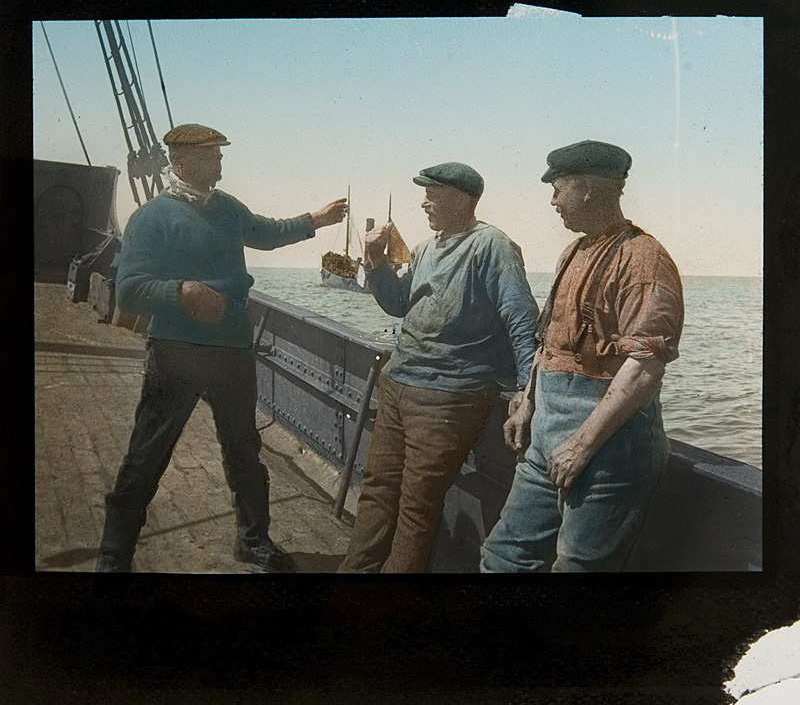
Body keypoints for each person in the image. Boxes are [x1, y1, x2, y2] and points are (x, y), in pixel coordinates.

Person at [95, 123, 347, 573]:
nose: (221, 163)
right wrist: (183, 291)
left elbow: (267, 233)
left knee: (244, 452)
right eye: (213, 156)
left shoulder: (226, 208)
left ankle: (253, 542)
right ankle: (114, 558)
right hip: (176, 352)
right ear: (183, 162)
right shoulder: (152, 217)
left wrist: (316, 221)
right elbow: (130, 290)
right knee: (147, 455)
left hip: (231, 350)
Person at [481, 140, 684, 573]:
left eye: (558, 189)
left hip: (610, 451)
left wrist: (581, 444)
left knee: (579, 570)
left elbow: (645, 367)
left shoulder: (644, 259)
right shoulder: (572, 253)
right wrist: (527, 402)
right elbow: (549, 343)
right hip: (546, 437)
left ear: (587, 189)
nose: (553, 201)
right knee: (502, 557)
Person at [339, 162, 539, 573]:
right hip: (397, 381)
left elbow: (520, 316)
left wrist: (525, 389)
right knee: (377, 490)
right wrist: (375, 263)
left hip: (449, 396)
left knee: (417, 506)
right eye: (425, 193)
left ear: (463, 200)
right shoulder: (426, 248)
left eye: (434, 193)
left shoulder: (492, 245)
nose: (424, 202)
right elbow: (398, 304)